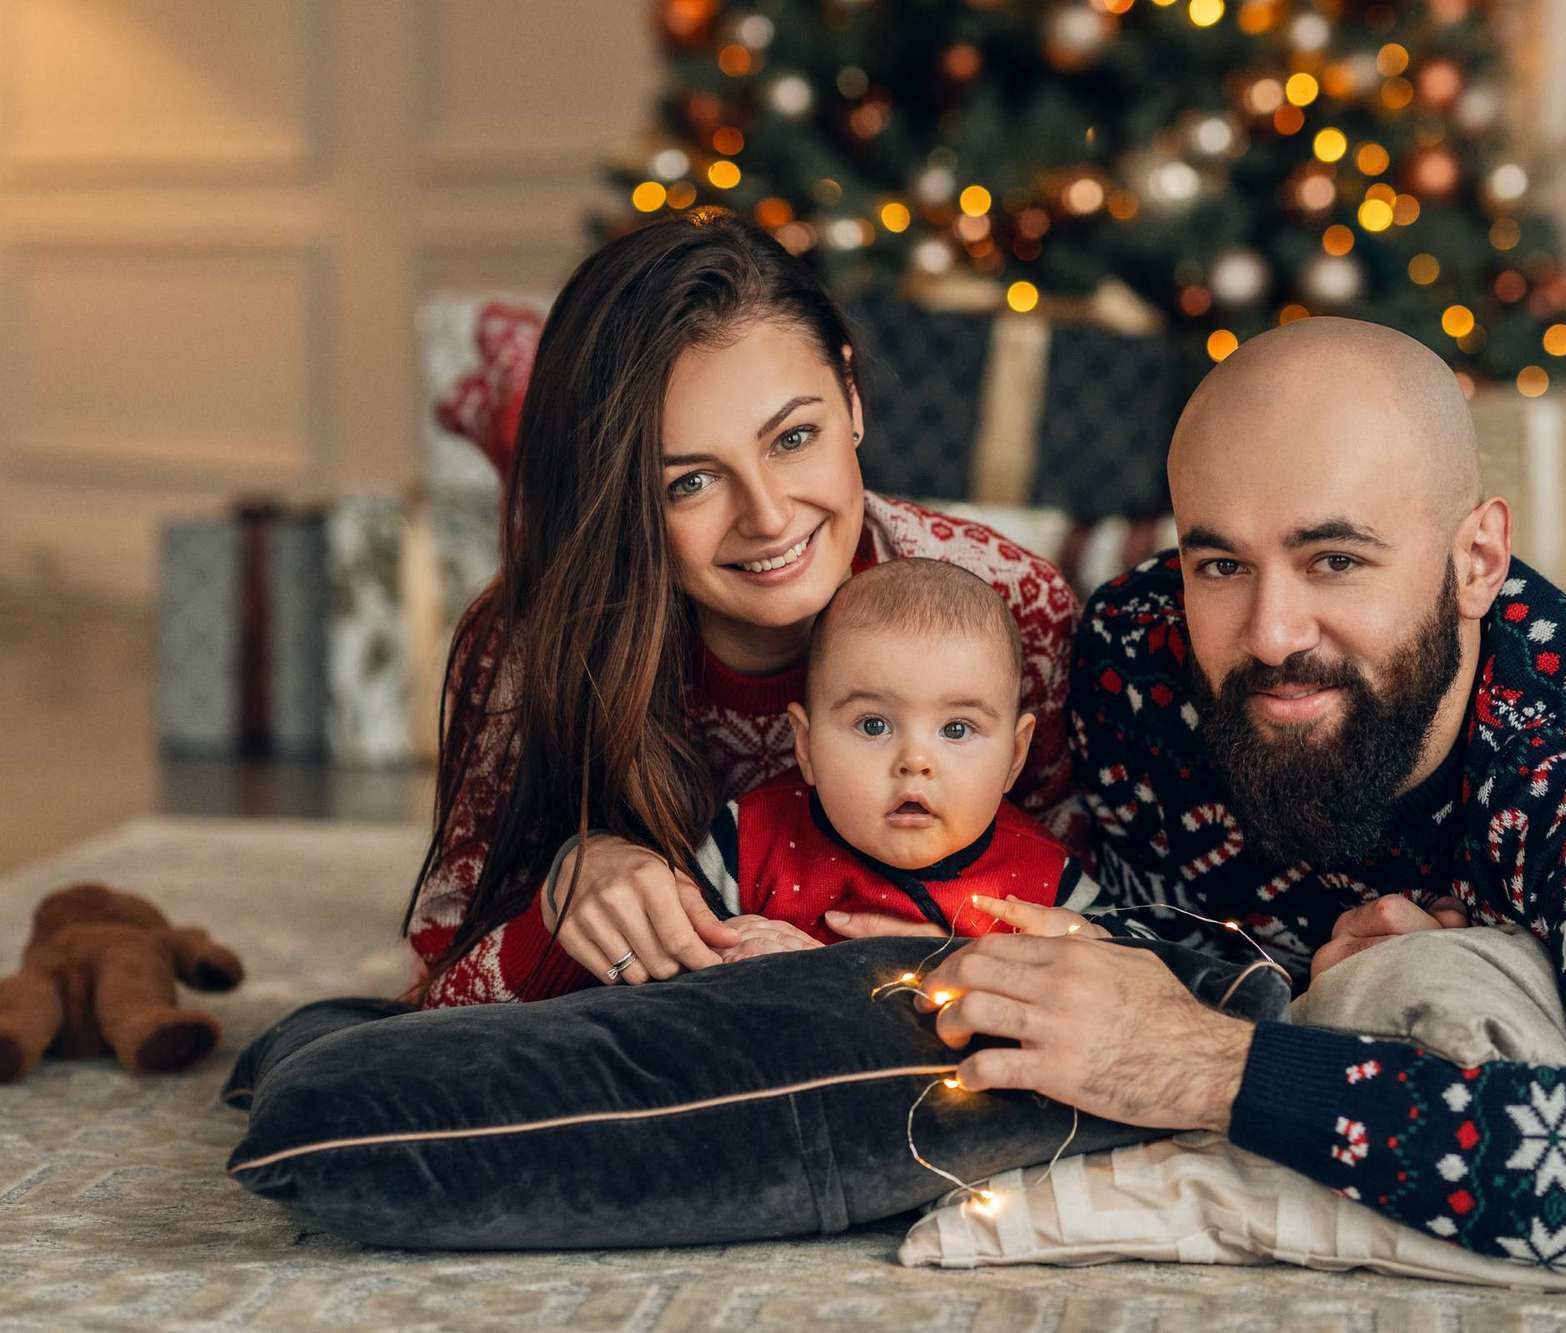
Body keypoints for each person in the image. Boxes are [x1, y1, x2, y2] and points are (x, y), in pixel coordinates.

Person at [909, 317, 1566, 1294]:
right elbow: (1154, 932)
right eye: (1220, 563)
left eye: (1334, 559)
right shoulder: (1137, 661)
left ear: (1476, 560)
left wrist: (1211, 1065)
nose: (1270, 634)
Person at [400, 210, 1083, 1007]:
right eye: (689, 481)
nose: (768, 516)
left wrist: (940, 970)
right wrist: (562, 898)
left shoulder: (1013, 606)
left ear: (851, 397)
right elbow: (434, 992)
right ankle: (514, 414)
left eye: (793, 438)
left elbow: (1098, 940)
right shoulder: (530, 643)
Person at [671, 559, 1104, 963]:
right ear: (806, 745)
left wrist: (1081, 944)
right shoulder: (749, 841)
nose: (915, 761)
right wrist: (727, 947)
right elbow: (667, 941)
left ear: (1014, 756)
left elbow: (1130, 955)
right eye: (874, 725)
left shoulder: (1040, 875)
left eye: (957, 729)